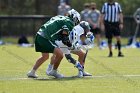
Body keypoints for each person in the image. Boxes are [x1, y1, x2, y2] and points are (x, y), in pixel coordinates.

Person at [27, 9, 81, 78]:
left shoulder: (60, 17)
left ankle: (32, 72)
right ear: (75, 18)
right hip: (45, 37)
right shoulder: (69, 22)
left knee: (45, 56)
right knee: (60, 55)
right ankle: (54, 71)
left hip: (39, 35)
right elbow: (65, 39)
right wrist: (71, 46)